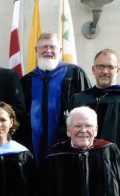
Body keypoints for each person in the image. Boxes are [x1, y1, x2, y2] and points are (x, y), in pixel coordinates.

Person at [69, 49, 120, 186]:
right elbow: (68, 134)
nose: (105, 71)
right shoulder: (79, 98)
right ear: (93, 70)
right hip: (80, 170)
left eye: (110, 67)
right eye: (100, 66)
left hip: (116, 173)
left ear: (117, 70)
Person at [21, 32, 91, 165]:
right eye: (44, 47)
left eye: (52, 47)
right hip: (33, 143)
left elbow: (87, 109)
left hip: (67, 140)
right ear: (36, 50)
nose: (48, 51)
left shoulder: (74, 73)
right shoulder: (27, 80)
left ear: (60, 50)